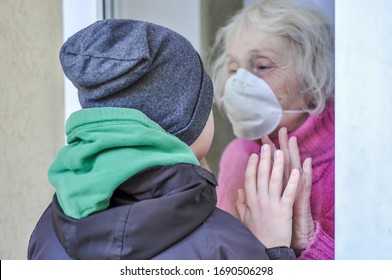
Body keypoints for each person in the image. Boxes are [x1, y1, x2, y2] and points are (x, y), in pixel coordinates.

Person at [27, 19, 300, 260]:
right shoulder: (224, 244)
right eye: (204, 104)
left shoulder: (47, 229)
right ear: (187, 123)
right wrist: (271, 252)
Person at [208, 0, 334, 260]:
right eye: (233, 69)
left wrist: (308, 242)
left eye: (262, 66)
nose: (240, 82)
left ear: (313, 80)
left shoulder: (351, 159)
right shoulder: (236, 155)